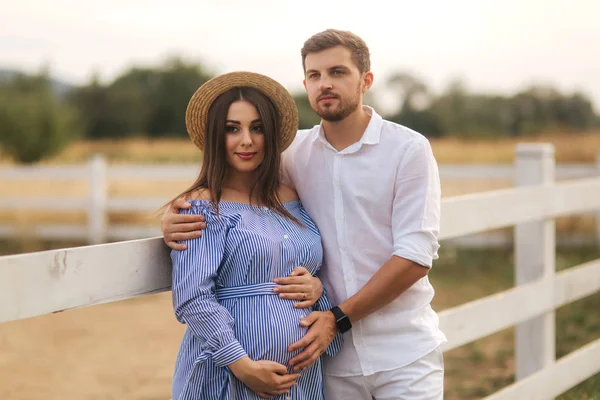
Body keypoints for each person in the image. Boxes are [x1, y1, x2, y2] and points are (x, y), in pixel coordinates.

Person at [163, 29, 446, 399]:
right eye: (314, 75)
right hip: (329, 365)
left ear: (366, 80)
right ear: (305, 83)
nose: (324, 84)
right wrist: (175, 214)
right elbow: (235, 195)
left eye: (337, 72)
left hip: (401, 349)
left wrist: (332, 312)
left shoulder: (407, 149)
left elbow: (414, 255)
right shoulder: (291, 153)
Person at [167, 71, 342, 400]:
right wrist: (242, 364)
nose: (246, 140)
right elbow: (193, 297)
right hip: (229, 377)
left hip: (299, 382)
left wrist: (317, 288)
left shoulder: (290, 198)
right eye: (233, 129)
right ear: (216, 137)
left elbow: (309, 266)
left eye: (257, 128)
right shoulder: (203, 207)